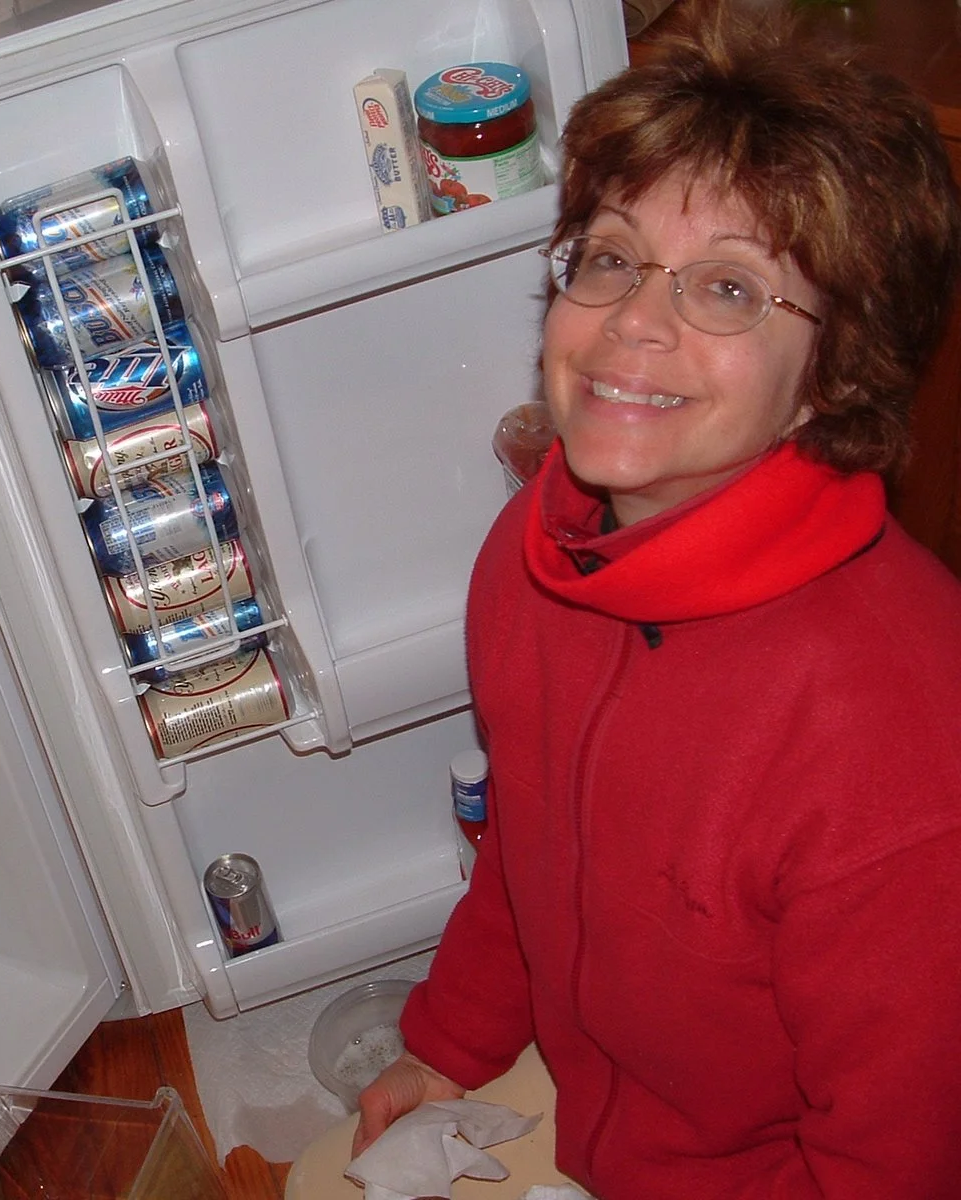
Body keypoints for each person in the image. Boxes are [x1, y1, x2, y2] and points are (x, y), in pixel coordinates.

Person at [353, 2, 961, 1196]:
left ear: (830, 373)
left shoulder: (902, 750)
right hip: (587, 1118)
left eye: (729, 289)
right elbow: (528, 850)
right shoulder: (533, 563)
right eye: (613, 256)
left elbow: (897, 1160)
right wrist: (453, 1042)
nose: (633, 319)